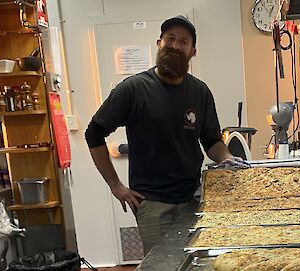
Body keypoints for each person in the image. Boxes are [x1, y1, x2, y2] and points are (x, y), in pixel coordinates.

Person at [85, 15, 247, 255]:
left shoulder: (200, 92)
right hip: (152, 204)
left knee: (198, 266)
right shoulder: (133, 89)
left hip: (195, 198)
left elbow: (211, 141)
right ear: (159, 43)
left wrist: (226, 157)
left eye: (183, 41)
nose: (175, 45)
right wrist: (115, 185)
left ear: (193, 51)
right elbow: (94, 134)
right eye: (170, 39)